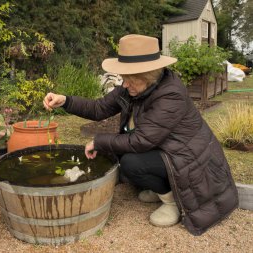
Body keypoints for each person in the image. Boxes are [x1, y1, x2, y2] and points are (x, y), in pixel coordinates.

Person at [43, 34, 239, 236]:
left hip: (188, 158)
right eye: (124, 77)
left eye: (130, 78)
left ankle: (172, 202)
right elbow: (99, 108)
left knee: (130, 163)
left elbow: (141, 141)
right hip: (166, 149)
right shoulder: (134, 86)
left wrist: (98, 141)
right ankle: (161, 188)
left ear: (148, 74)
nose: (124, 84)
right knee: (119, 155)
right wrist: (65, 100)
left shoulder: (171, 95)